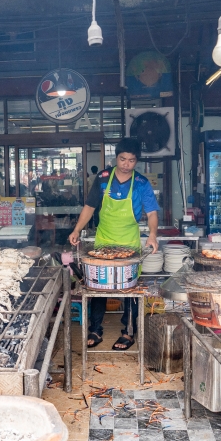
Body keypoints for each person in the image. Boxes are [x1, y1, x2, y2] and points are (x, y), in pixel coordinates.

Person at [69, 137, 160, 351]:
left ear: (136, 161)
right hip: (104, 239)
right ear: (115, 157)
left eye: (131, 160)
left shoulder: (141, 183)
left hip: (129, 241)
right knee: (98, 285)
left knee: (129, 287)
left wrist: (153, 234)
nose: (126, 164)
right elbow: (89, 207)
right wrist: (77, 229)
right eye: (122, 159)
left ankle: (128, 332)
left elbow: (152, 213)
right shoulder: (102, 179)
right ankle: (95, 329)